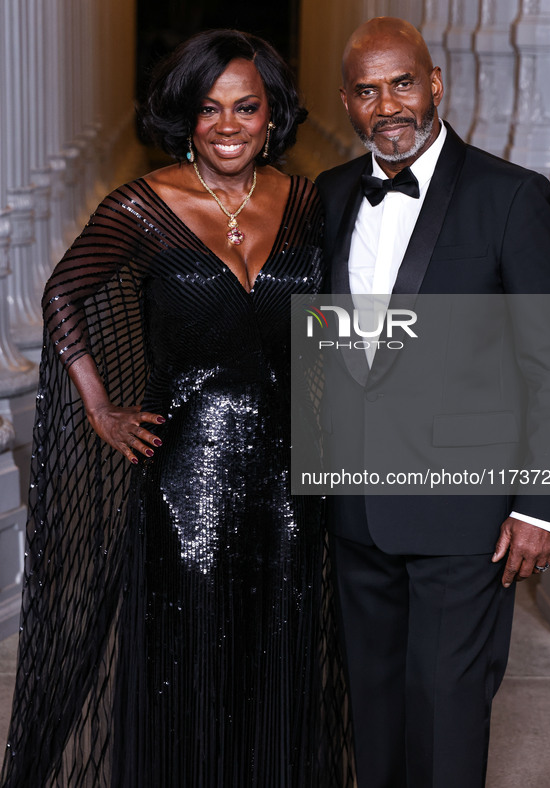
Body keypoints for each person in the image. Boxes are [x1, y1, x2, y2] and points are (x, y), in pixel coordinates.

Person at [1, 29, 353, 788]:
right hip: (183, 475)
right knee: (185, 653)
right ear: (185, 117)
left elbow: (332, 318)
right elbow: (63, 292)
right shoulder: (143, 202)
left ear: (271, 114)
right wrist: (100, 406)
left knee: (279, 642)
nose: (227, 125)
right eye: (208, 108)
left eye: (246, 106)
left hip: (293, 474)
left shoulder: (304, 203)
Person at [314, 17, 550, 788]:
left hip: (465, 509)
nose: (386, 104)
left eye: (402, 83)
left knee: (447, 703)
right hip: (355, 503)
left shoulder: (510, 196)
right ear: (347, 101)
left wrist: (538, 505)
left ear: (435, 84)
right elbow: (325, 346)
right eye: (367, 90)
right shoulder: (331, 196)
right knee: (372, 704)